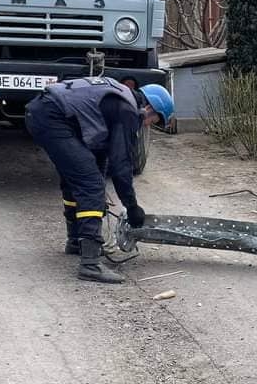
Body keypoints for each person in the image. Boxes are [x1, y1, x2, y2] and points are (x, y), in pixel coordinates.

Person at [25, 77, 174, 283]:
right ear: (149, 108)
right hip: (53, 119)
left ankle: (77, 241)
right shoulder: (128, 111)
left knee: (80, 178)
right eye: (154, 121)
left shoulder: (116, 97)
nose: (148, 126)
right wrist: (132, 207)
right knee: (91, 185)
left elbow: (102, 152)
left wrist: (100, 177)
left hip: (42, 112)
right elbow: (121, 166)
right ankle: (90, 264)